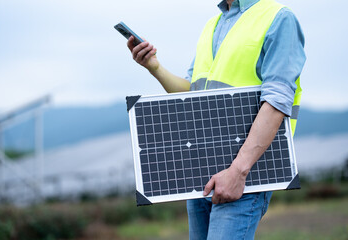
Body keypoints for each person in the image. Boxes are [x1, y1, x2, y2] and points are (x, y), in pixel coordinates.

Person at [127, 0, 306, 239]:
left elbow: (277, 102)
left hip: (246, 175)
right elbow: (191, 96)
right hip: (203, 175)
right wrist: (154, 67)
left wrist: (238, 172)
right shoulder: (213, 25)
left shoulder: (279, 17)